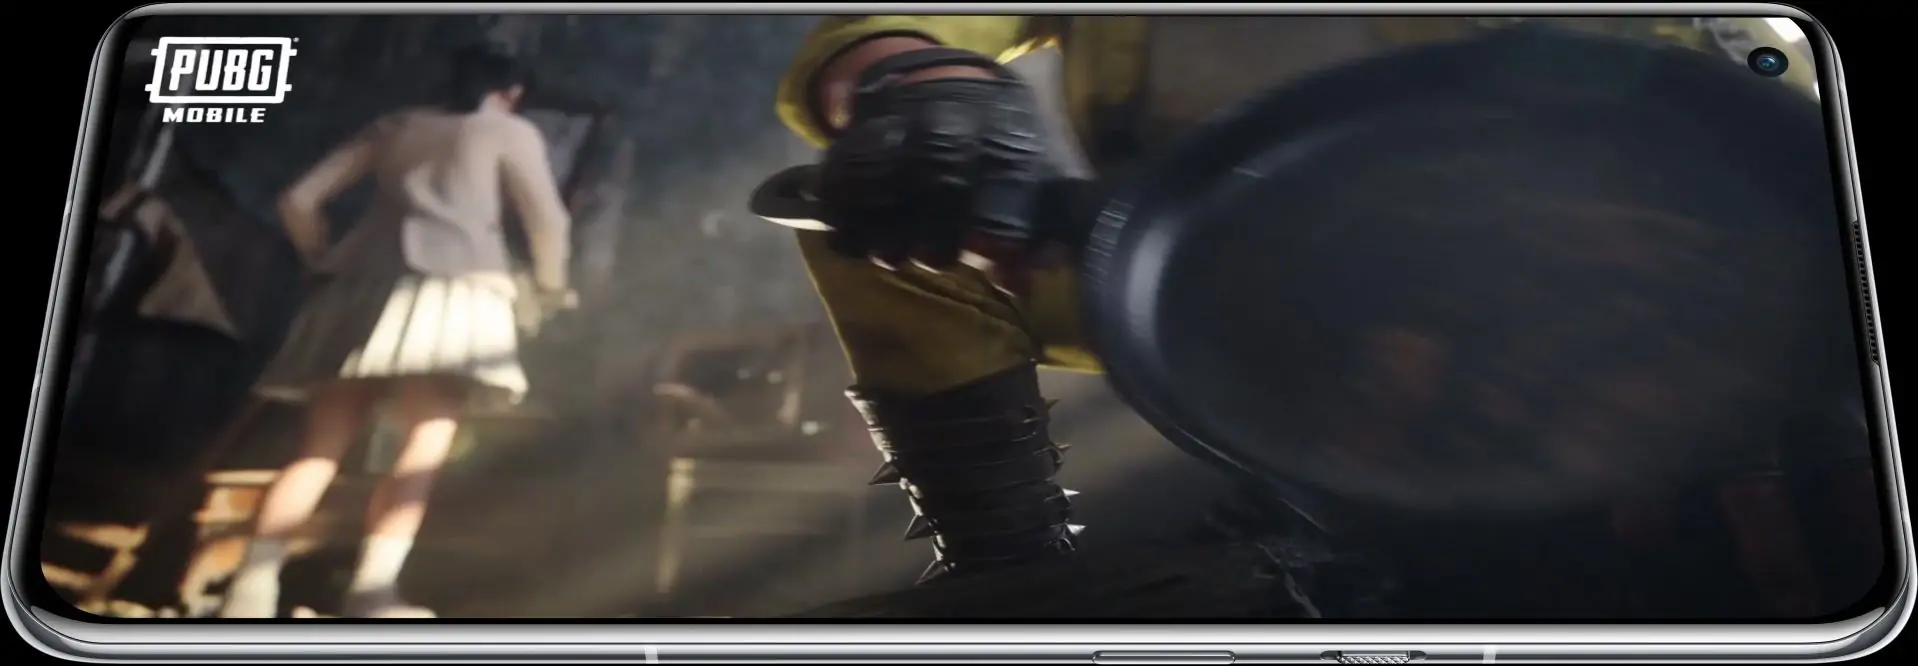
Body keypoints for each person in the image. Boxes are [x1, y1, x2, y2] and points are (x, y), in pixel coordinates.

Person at [769, 16, 1825, 586]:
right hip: (1183, 261)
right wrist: (917, 82)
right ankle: (1010, 564)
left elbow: (1704, 78)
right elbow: (892, 25)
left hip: (1524, 251)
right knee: (872, 205)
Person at [218, 44, 574, 618]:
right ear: (511, 94)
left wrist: (320, 257)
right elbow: (548, 221)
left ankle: (249, 593)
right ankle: (371, 594)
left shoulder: (396, 125)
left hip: (359, 289)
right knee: (420, 453)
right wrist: (552, 288)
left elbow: (297, 200)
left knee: (317, 451)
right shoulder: (510, 130)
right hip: (453, 291)